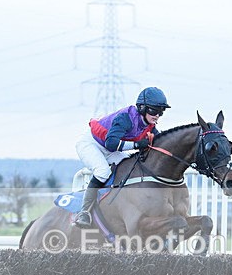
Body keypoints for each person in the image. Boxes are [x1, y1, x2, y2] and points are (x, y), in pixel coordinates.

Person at [72, 86, 170, 228]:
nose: (157, 115)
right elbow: (111, 143)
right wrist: (137, 145)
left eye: (161, 112)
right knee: (102, 172)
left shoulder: (150, 126)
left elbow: (160, 143)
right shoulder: (125, 118)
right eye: (154, 110)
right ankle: (84, 212)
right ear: (142, 108)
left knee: (129, 166)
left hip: (110, 148)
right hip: (91, 144)